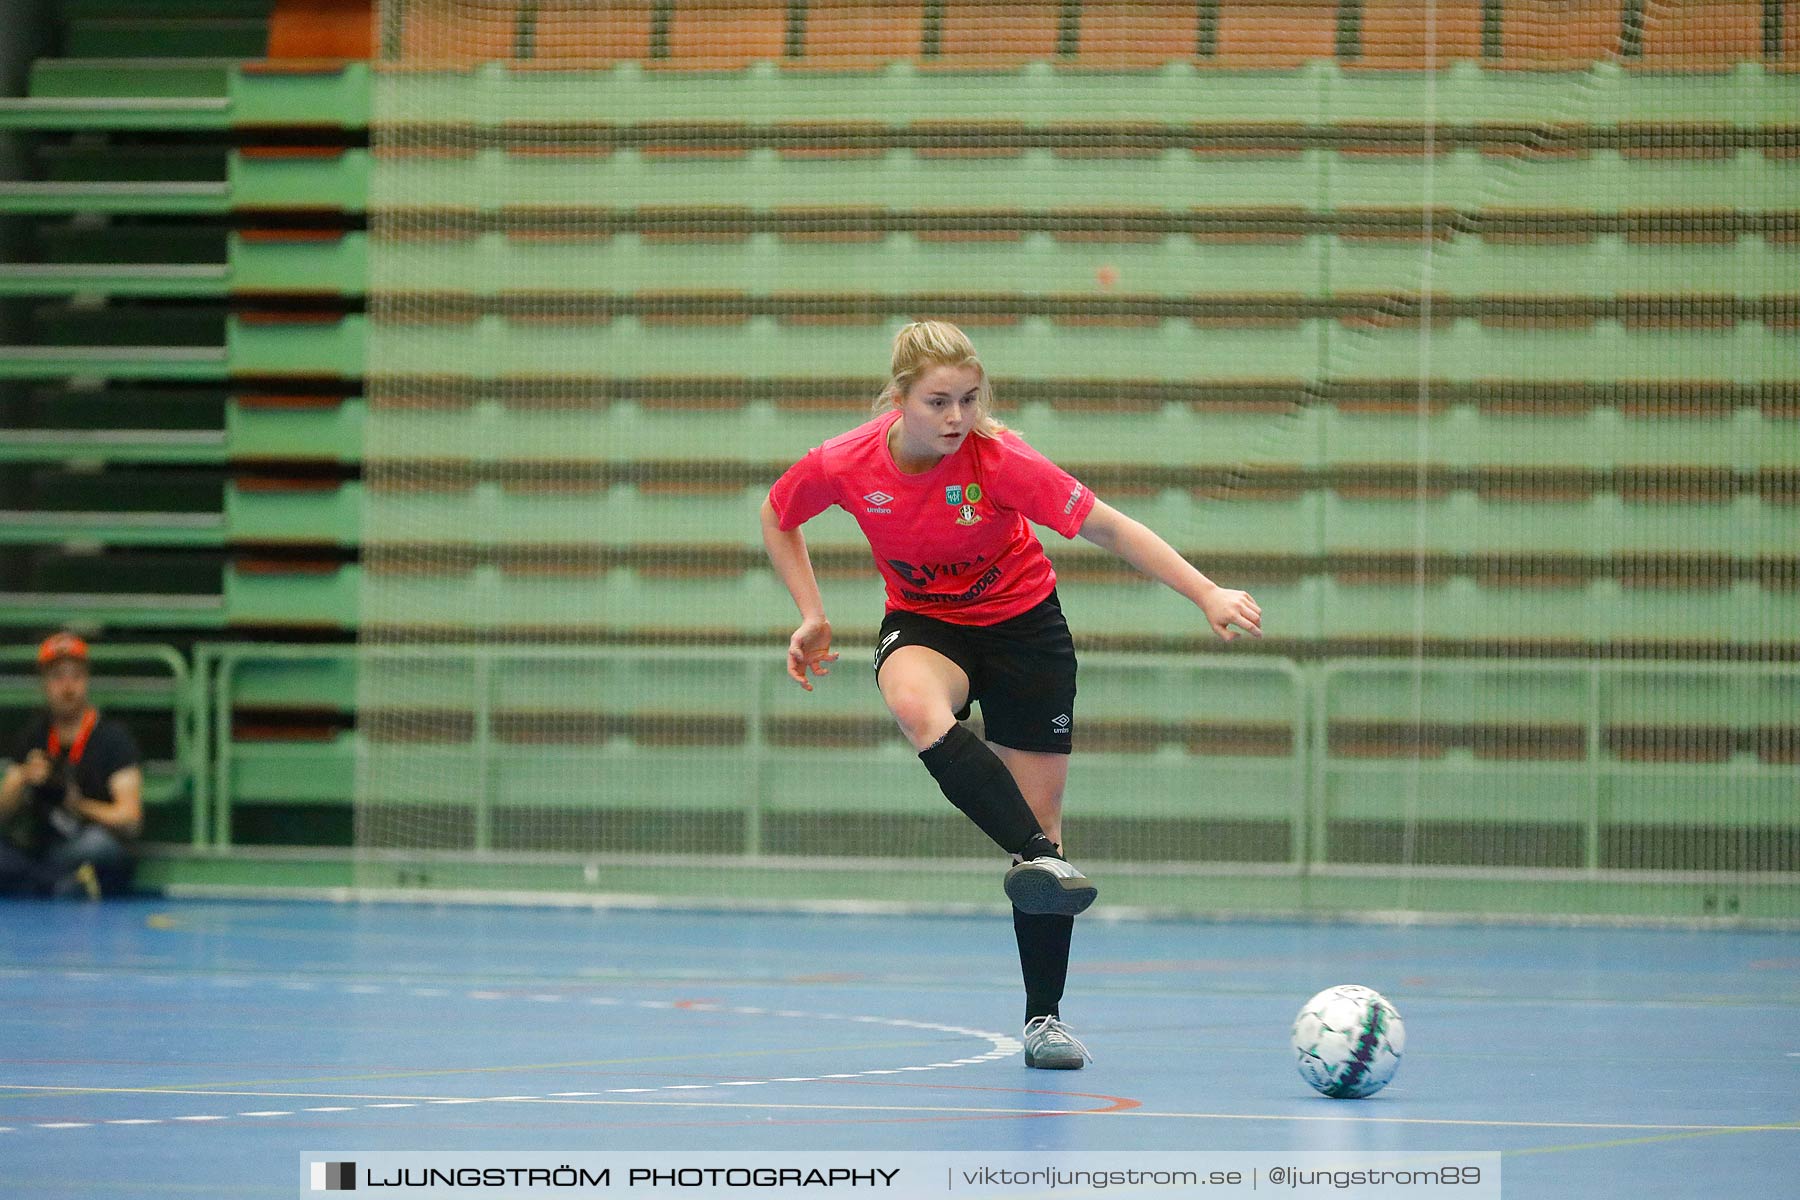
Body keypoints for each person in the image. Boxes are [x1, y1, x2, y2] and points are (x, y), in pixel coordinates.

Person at [760, 320, 1262, 1070]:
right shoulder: (844, 462)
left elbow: (1110, 529)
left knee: (1046, 823)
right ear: (898, 400)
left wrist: (1205, 591)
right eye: (937, 402)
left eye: (968, 399)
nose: (956, 418)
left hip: (1027, 634)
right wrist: (812, 612)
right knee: (915, 707)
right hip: (928, 625)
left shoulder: (999, 461)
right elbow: (778, 514)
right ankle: (1036, 856)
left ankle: (1044, 1017)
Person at [0, 632, 143, 898]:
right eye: (57, 677)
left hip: (85, 843)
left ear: (86, 680)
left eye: (75, 676)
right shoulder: (33, 736)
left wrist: (79, 806)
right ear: (43, 683)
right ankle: (57, 885)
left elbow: (131, 819)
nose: (67, 687)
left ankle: (47, 883)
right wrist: (21, 777)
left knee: (101, 847)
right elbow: (2, 813)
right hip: (42, 846)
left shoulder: (112, 738)